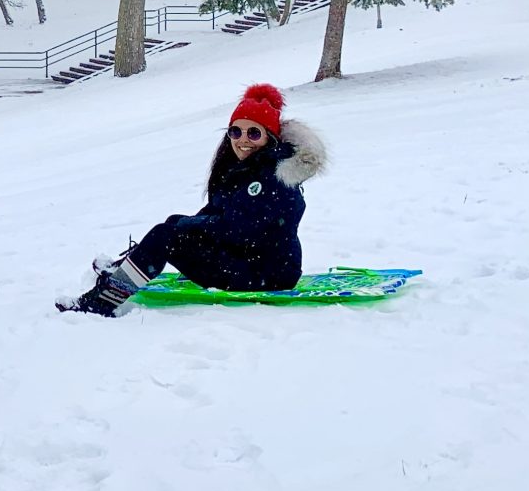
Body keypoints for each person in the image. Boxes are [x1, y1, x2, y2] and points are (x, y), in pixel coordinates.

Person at [59, 83, 328, 317]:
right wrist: (183, 224)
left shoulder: (273, 178)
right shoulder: (248, 169)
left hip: (266, 274)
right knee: (172, 225)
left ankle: (102, 302)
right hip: (251, 261)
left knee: (167, 235)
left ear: (270, 138)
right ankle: (126, 272)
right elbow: (217, 213)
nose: (243, 140)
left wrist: (184, 230)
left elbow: (237, 231)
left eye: (253, 133)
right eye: (236, 132)